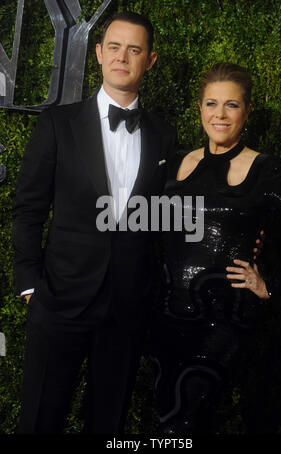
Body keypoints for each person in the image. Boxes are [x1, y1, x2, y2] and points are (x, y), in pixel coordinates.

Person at [12, 11, 177, 433]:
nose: (123, 57)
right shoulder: (56, 124)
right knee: (39, 421)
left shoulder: (164, 135)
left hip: (126, 308)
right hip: (59, 302)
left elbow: (165, 217)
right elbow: (29, 208)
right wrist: (31, 284)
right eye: (115, 47)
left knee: (108, 424)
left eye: (135, 49)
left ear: (150, 60)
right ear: (100, 53)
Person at [150, 62, 281, 433]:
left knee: (185, 420)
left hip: (223, 320)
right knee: (165, 414)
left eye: (231, 105)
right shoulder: (177, 163)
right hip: (165, 316)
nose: (219, 114)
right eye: (211, 104)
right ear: (199, 108)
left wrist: (270, 284)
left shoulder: (266, 170)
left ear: (246, 111)